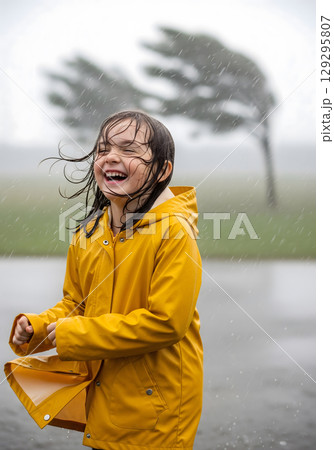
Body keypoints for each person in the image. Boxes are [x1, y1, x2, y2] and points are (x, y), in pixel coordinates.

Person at [5, 110, 203, 450]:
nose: (111, 156)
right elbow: (77, 305)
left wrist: (75, 334)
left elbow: (166, 323)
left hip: (157, 410)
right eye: (103, 148)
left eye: (129, 149)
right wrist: (39, 328)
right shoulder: (90, 233)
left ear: (163, 171)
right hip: (107, 401)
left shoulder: (174, 232)